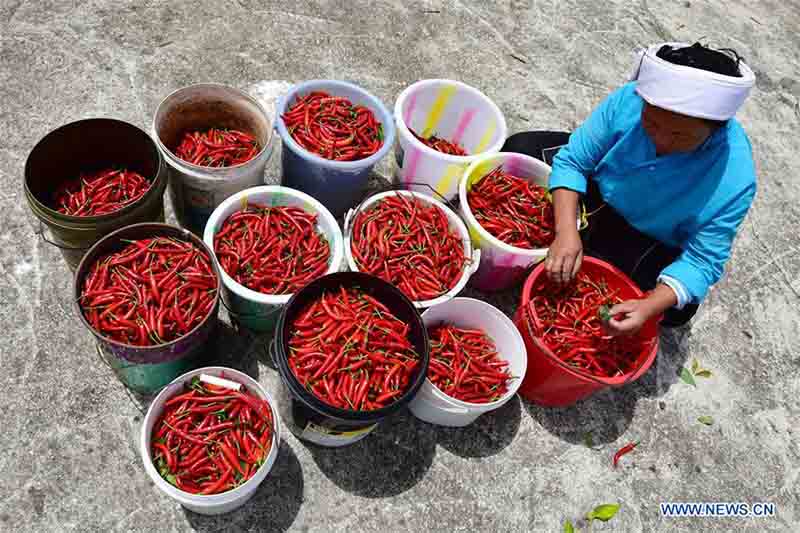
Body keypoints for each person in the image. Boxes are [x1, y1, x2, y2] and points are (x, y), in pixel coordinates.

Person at [503, 42, 757, 335]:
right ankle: (585, 241)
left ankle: (595, 249)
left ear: (717, 128)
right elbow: (574, 162)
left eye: (680, 135)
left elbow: (702, 261)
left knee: (677, 309)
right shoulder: (631, 99)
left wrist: (648, 305)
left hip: (644, 235)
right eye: (651, 122)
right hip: (595, 187)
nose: (661, 140)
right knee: (519, 151)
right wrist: (566, 231)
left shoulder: (735, 177)